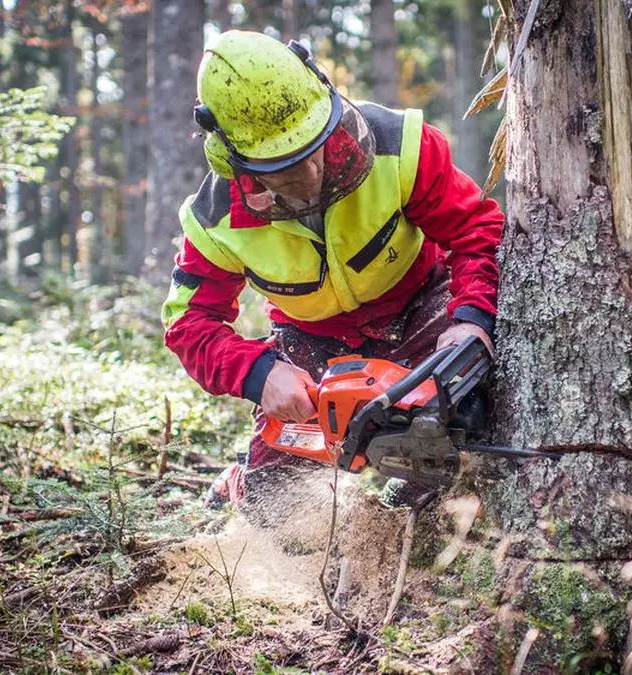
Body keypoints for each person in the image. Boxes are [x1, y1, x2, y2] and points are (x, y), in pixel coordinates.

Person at [160, 30, 503, 506]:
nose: (312, 175)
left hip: (421, 305)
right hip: (312, 340)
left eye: (311, 150)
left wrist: (472, 320)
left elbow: (475, 228)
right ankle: (238, 483)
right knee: (273, 503)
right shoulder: (215, 221)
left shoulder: (398, 146)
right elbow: (188, 323)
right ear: (237, 162)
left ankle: (412, 493)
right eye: (284, 165)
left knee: (467, 419)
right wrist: (259, 374)